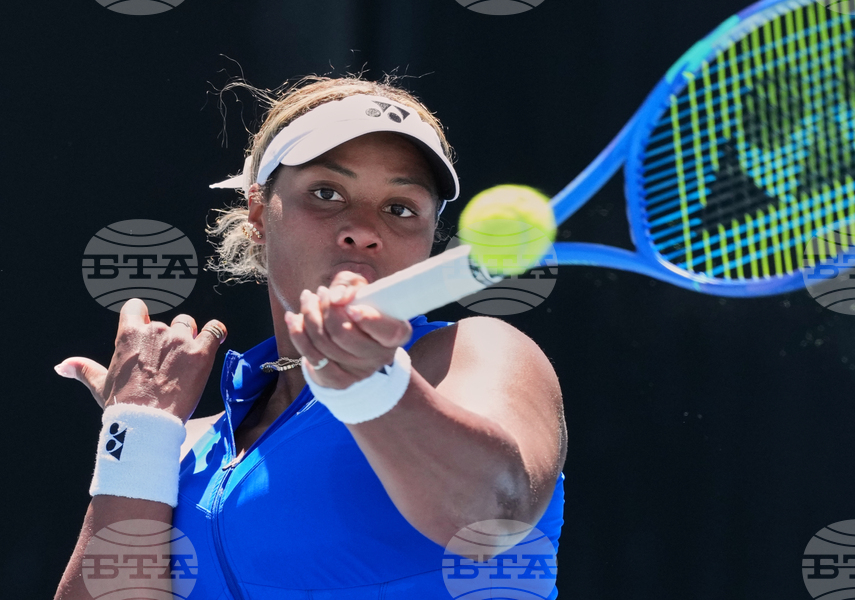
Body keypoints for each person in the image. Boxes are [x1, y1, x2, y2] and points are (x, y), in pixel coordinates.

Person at [53, 76, 568, 599]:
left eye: (400, 208)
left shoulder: (478, 353)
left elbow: (497, 517)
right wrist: (138, 428)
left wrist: (372, 381)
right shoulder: (184, 447)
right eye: (327, 193)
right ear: (258, 213)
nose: (363, 229)